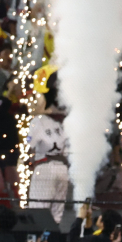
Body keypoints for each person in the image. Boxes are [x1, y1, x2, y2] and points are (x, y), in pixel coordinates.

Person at [25, 96, 69, 224]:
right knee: (57, 214)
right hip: (63, 169)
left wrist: (26, 161)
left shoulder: (38, 120)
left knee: (38, 211)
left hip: (44, 167)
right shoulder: (64, 121)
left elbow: (29, 146)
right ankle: (51, 241)